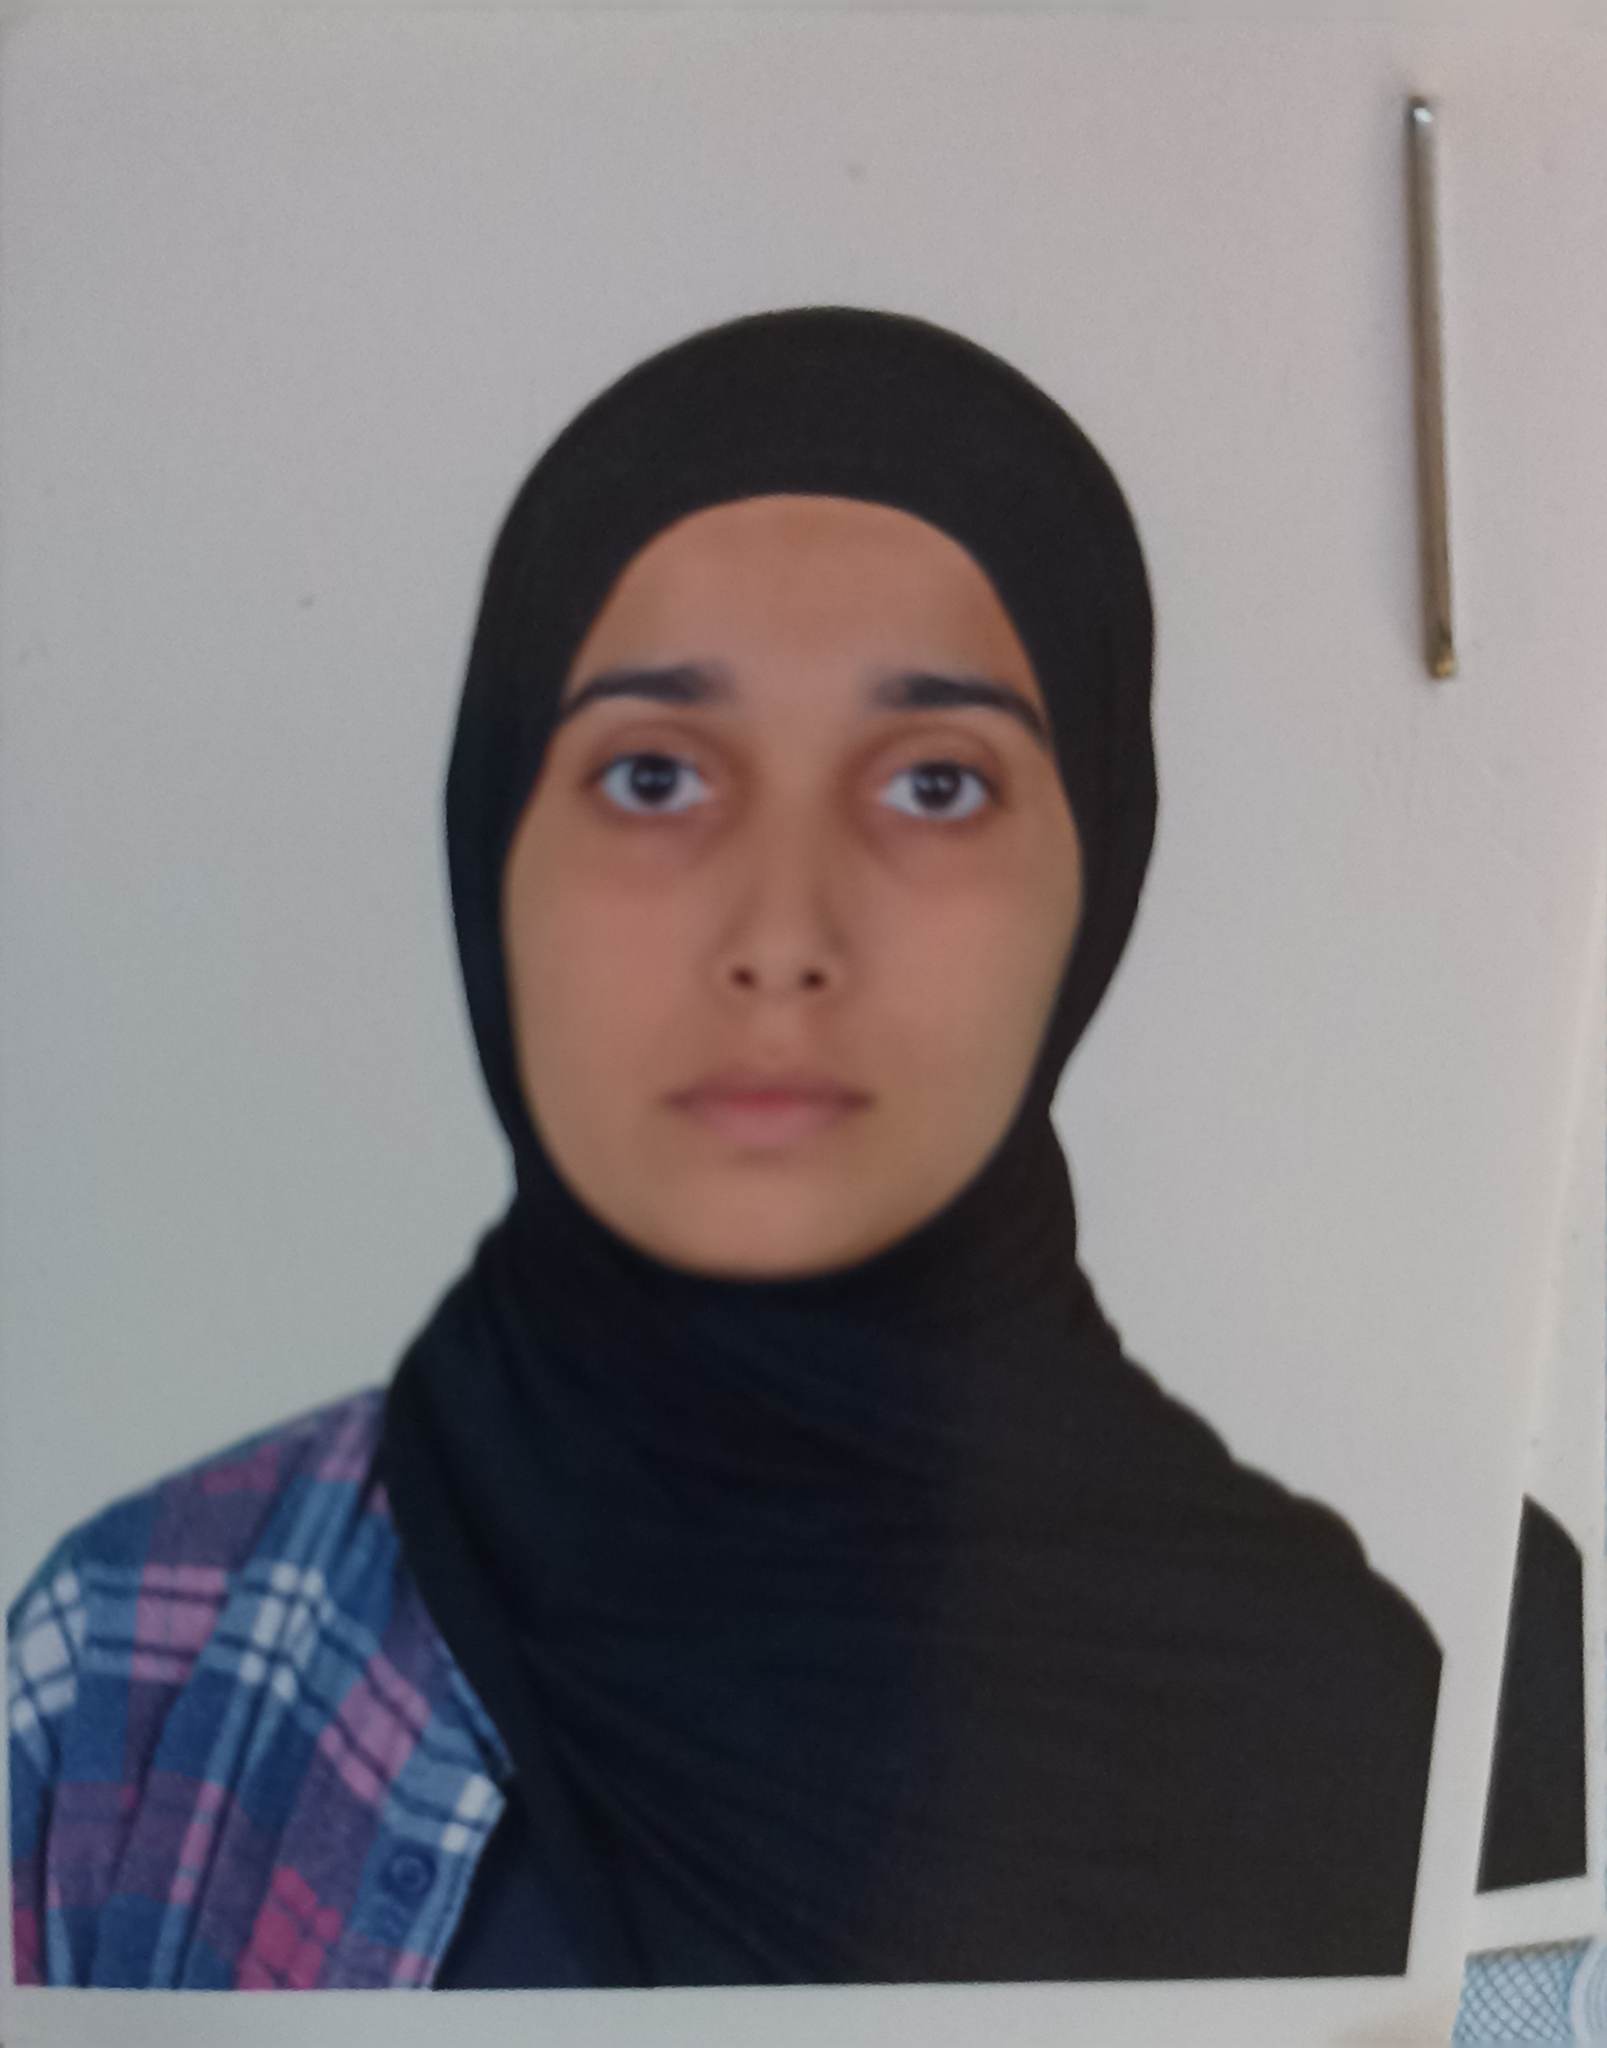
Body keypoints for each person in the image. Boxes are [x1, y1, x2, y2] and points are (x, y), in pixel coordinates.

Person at [6, 305, 1441, 1992]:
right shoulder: (134, 1669)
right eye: (654, 777)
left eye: (934, 786)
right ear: (493, 850)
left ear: (1099, 871)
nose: (779, 938)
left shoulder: (1417, 1717)